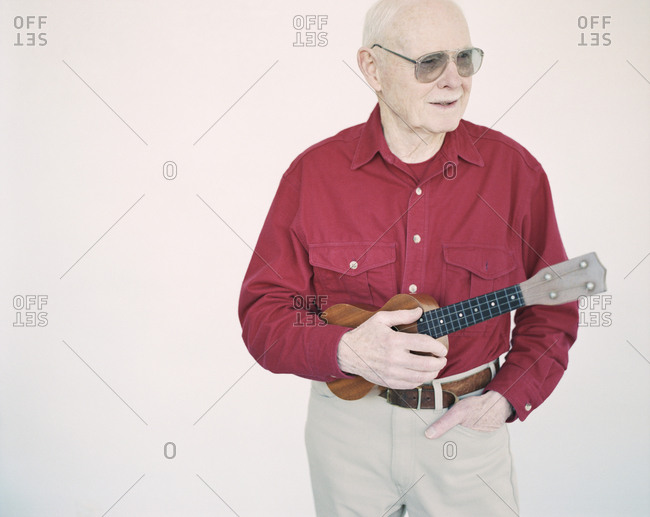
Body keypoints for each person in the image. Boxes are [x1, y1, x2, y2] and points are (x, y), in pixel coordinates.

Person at [239, 0, 579, 515]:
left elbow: (554, 301)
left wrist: (508, 397)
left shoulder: (515, 173)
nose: (453, 81)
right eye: (429, 63)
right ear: (372, 68)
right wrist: (344, 350)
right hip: (347, 437)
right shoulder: (314, 175)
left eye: (465, 60)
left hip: (466, 430)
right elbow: (271, 310)